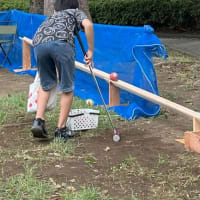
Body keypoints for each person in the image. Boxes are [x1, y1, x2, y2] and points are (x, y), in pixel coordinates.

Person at [31, 0, 94, 141]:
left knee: (46, 84)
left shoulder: (52, 17)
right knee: (67, 87)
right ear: (76, 7)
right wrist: (90, 50)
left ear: (55, 10)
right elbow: (88, 25)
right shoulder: (75, 12)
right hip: (62, 43)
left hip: (39, 43)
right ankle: (61, 129)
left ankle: (38, 121)